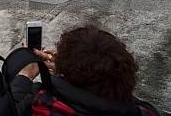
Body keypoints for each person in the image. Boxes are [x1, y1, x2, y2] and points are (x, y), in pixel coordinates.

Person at [10, 26, 161, 115]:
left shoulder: (41, 104)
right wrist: (68, 72)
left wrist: (25, 75)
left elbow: (6, 109)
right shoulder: (144, 112)